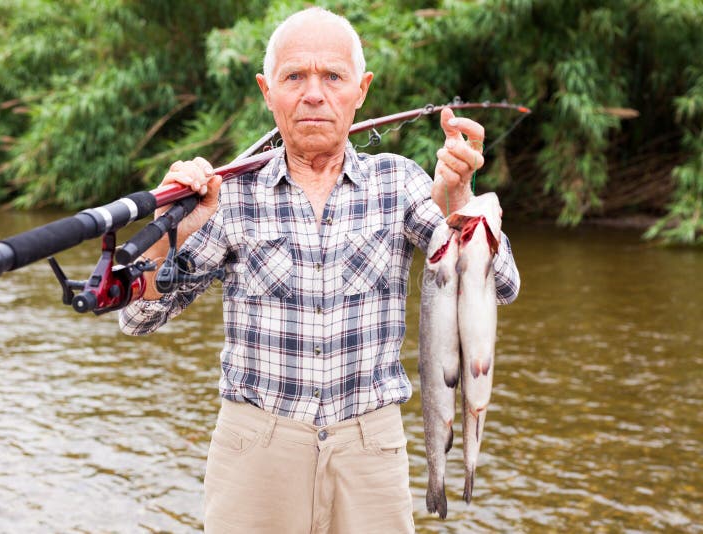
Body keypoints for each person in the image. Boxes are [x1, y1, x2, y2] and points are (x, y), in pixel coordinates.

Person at [120, 7, 519, 533]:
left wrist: (460, 195)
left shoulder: (400, 183)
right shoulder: (228, 196)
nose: (314, 93)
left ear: (362, 89)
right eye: (295, 77)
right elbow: (138, 318)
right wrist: (176, 229)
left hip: (370, 452)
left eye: (333, 76)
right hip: (254, 453)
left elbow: (503, 286)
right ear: (268, 90)